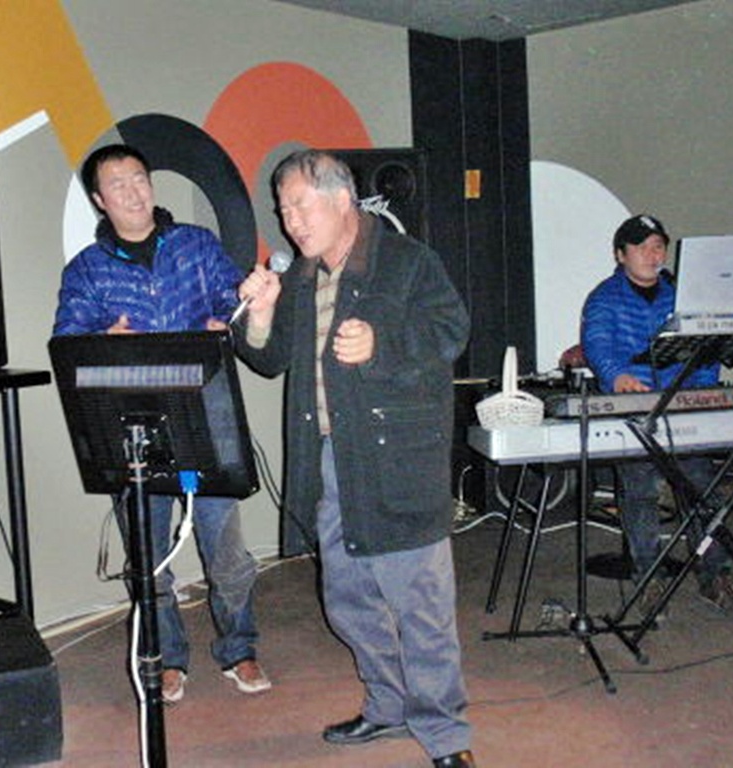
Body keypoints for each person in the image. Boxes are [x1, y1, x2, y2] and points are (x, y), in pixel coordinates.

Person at [233, 150, 475, 768]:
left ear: (342, 200)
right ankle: (388, 707)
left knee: (420, 606)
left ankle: (446, 736)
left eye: (299, 206)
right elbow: (269, 359)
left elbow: (452, 330)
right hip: (328, 461)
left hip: (396, 461)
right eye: (283, 210)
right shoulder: (301, 276)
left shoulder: (408, 261)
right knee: (348, 600)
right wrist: (260, 315)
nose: (290, 222)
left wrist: (381, 343)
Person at [53, 143, 271, 703]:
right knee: (149, 561)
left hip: (205, 420)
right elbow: (67, 342)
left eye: (139, 177)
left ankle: (239, 649)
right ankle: (166, 657)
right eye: (117, 184)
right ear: (100, 200)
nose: (132, 190)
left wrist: (233, 313)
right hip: (133, 429)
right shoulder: (86, 270)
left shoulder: (196, 245)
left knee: (228, 554)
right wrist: (102, 341)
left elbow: (231, 304)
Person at [580, 214, 733, 617]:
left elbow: (705, 351)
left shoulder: (680, 296)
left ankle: (714, 575)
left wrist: (702, 390)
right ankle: (649, 580)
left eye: (658, 247)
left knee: (703, 489)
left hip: (682, 408)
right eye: (641, 247)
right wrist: (617, 377)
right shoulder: (603, 298)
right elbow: (598, 346)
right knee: (639, 492)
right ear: (621, 255)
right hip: (635, 412)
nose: (652, 255)